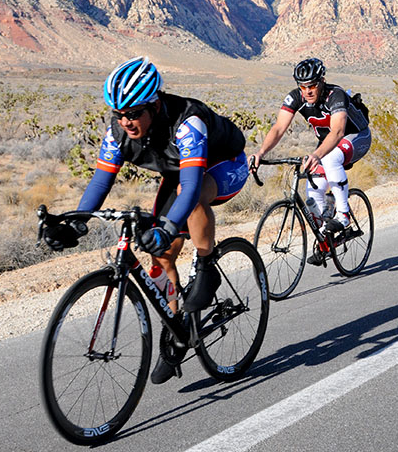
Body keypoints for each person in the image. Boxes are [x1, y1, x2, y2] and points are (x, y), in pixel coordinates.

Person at [43, 56, 249, 385]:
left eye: (134, 113)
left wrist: (168, 228)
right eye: (120, 114)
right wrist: (75, 225)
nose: (126, 121)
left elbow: (193, 185)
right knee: (160, 258)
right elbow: (100, 182)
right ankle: (178, 333)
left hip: (224, 165)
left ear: (153, 104)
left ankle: (208, 265)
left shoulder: (187, 121)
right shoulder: (118, 132)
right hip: (179, 173)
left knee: (186, 200)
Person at [249, 58, 372, 262]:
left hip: (356, 137)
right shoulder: (296, 97)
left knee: (331, 158)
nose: (308, 91)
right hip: (328, 144)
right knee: (313, 195)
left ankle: (343, 216)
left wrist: (316, 155)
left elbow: (338, 131)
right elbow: (279, 128)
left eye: (312, 85)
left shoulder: (336, 95)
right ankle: (327, 241)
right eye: (303, 86)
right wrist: (260, 153)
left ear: (322, 81)